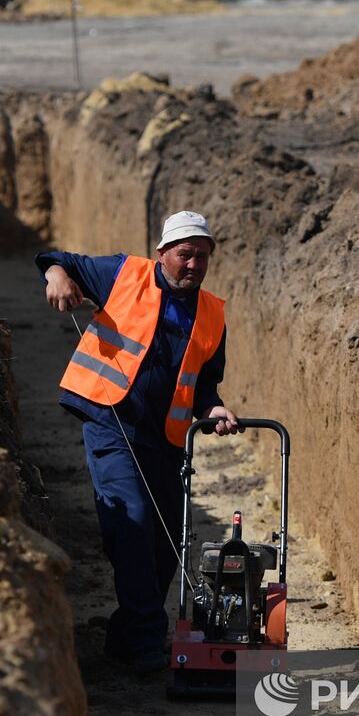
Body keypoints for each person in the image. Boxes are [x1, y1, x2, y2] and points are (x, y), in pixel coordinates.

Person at [36, 211, 241, 672]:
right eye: (185, 255)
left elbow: (204, 386)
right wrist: (57, 279)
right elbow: (55, 259)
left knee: (163, 544)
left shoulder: (211, 315)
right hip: (110, 420)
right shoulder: (124, 274)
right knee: (132, 519)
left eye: (202, 257)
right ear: (163, 253)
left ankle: (126, 635)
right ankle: (149, 642)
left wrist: (214, 409)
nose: (193, 265)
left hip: (165, 439)